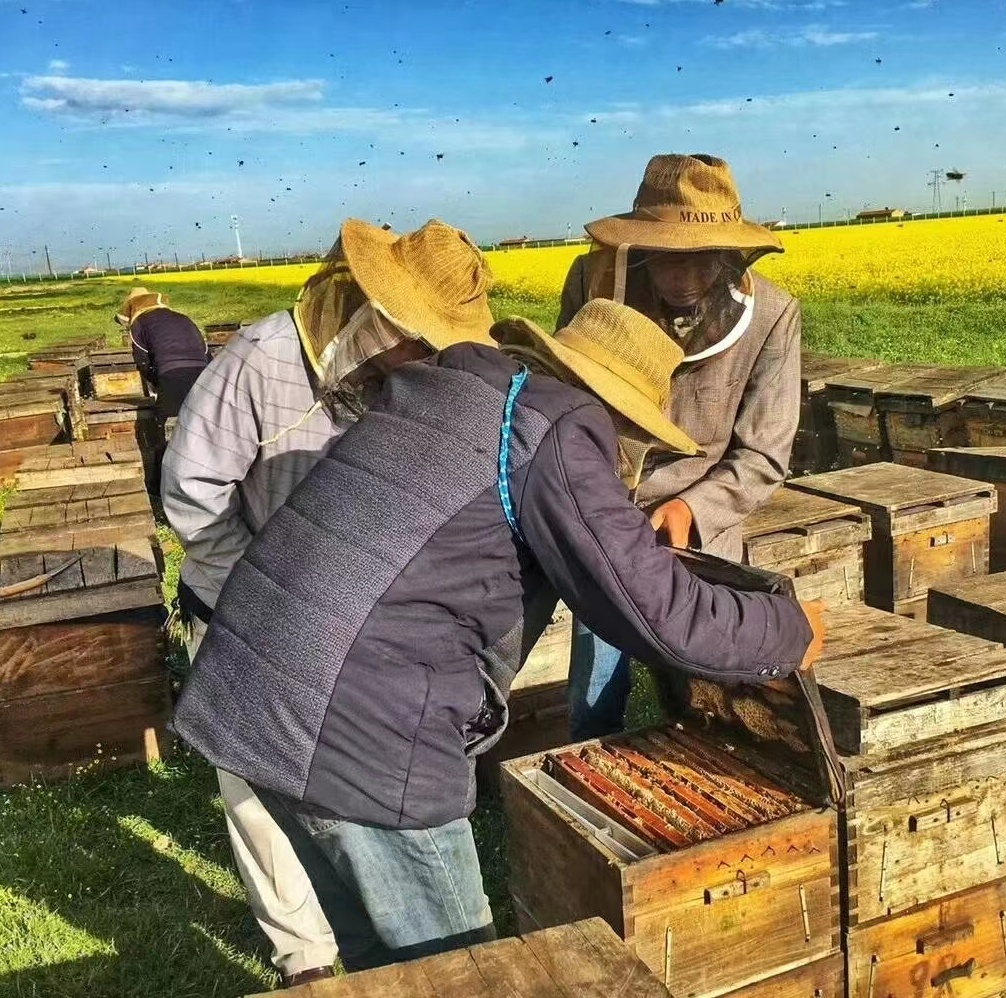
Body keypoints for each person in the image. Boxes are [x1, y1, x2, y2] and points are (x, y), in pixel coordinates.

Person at [172, 296, 825, 974]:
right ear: (612, 406)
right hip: (359, 733)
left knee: (374, 962)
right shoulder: (557, 430)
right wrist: (785, 628)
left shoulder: (448, 391)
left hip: (250, 694)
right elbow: (658, 612)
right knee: (462, 973)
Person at [162, 218, 495, 987]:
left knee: (345, 785)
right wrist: (261, 592)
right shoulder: (259, 360)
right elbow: (192, 493)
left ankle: (372, 933)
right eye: (414, 338)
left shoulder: (409, 371)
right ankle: (303, 957)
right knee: (253, 783)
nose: (422, 357)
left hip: (355, 623)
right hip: (239, 609)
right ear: (369, 306)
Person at [558, 153, 803, 739]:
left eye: (700, 259)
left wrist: (691, 509)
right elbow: (563, 396)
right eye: (667, 258)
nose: (684, 278)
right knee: (596, 688)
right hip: (603, 514)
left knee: (713, 702)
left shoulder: (773, 316)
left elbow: (764, 454)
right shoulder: (590, 285)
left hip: (703, 528)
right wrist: (595, 500)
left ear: (729, 253)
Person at [116, 287, 209, 419]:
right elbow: (206, 351)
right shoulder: (183, 318)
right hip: (203, 374)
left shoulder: (139, 323)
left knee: (169, 425)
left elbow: (142, 362)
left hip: (170, 374)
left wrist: (157, 381)